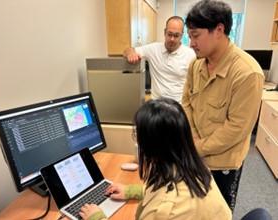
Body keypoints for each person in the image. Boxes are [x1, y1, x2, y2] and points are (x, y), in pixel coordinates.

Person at [79, 98, 232, 220]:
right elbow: (166, 187)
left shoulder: (163, 212)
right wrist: (132, 191)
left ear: (152, 144)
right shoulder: (194, 168)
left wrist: (96, 218)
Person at [182, 0, 264, 211]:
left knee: (219, 212)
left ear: (219, 30)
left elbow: (237, 128)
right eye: (189, 36)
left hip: (223, 163)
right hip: (195, 155)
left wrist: (196, 147)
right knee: (193, 208)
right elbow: (187, 104)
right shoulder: (196, 64)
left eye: (195, 35)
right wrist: (191, 141)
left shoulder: (247, 72)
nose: (191, 43)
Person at [124, 16, 195, 103]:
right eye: (169, 34)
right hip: (157, 105)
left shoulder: (191, 54)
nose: (172, 39)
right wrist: (130, 53)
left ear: (181, 35)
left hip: (179, 106)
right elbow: (128, 50)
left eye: (176, 35)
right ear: (164, 32)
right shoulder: (153, 49)